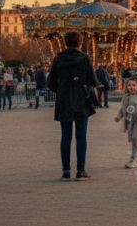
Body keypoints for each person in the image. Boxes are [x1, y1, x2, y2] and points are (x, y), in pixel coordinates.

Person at [48, 31, 99, 181]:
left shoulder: (58, 59)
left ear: (65, 43)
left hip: (64, 99)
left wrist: (62, 88)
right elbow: (93, 81)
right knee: (81, 136)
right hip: (81, 98)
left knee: (66, 136)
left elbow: (51, 83)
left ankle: (66, 170)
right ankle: (81, 170)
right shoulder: (84, 58)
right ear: (80, 42)